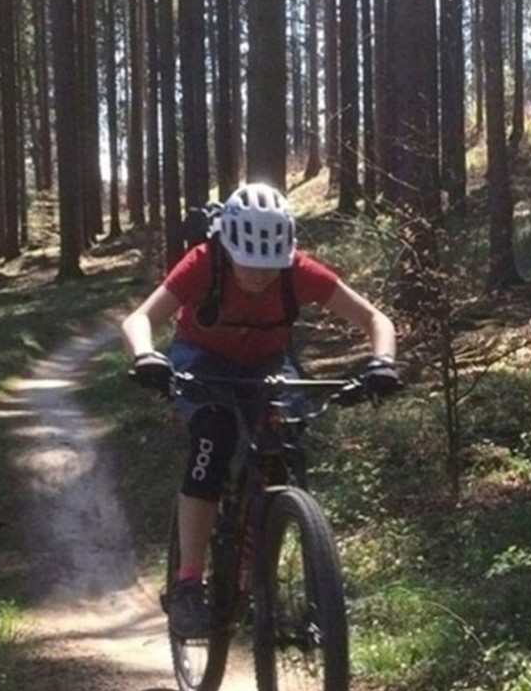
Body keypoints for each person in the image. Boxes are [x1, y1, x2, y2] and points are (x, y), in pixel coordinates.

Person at [121, 183, 401, 638]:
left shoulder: (298, 271)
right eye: (248, 264)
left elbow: (374, 319)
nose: (258, 276)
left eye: (269, 267)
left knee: (284, 437)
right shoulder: (204, 263)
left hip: (267, 362)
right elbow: (140, 318)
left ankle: (261, 569)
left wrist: (383, 361)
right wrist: (145, 356)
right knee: (213, 437)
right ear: (228, 249)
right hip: (201, 358)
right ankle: (189, 583)